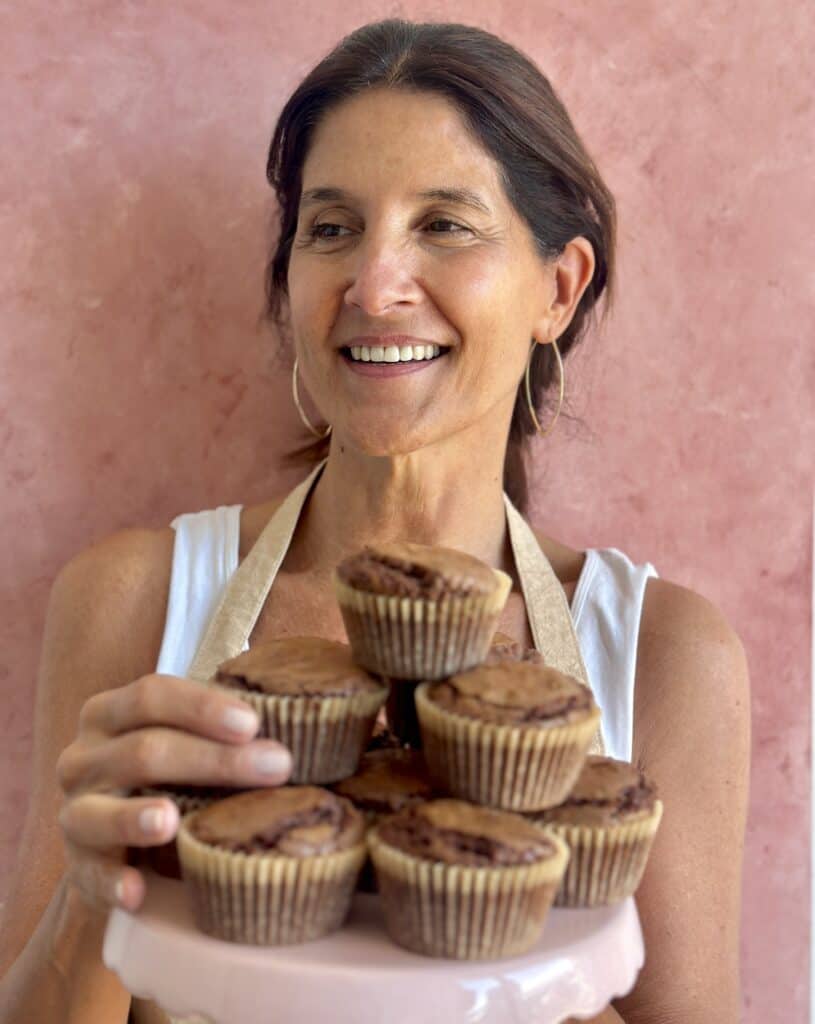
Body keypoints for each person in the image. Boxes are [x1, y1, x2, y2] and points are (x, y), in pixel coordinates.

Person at [0, 18, 750, 1024]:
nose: (373, 285)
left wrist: (501, 924)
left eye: (442, 224)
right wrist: (97, 897)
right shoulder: (135, 600)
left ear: (556, 289)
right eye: (330, 228)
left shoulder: (659, 654)